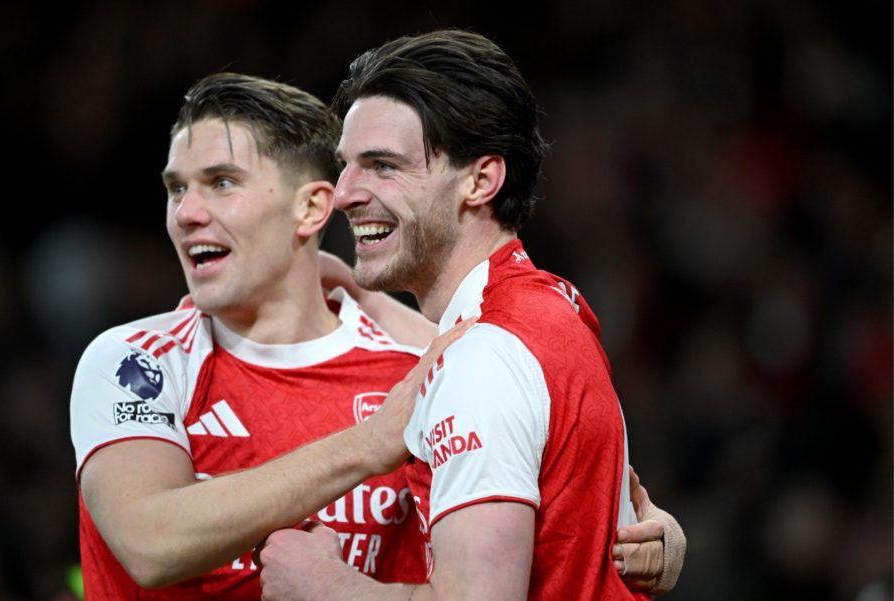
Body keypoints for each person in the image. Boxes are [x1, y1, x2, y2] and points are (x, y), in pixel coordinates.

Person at [69, 72, 679, 600]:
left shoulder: (424, 359)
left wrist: (656, 537)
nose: (186, 213)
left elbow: (571, 479)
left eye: (222, 182)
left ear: (312, 209)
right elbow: (149, 542)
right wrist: (369, 444)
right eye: (177, 188)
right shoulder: (137, 363)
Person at [256, 29, 685, 601]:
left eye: (382, 166)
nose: (344, 194)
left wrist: (322, 585)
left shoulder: (483, 357)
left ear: (481, 180)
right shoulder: (555, 306)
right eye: (347, 166)